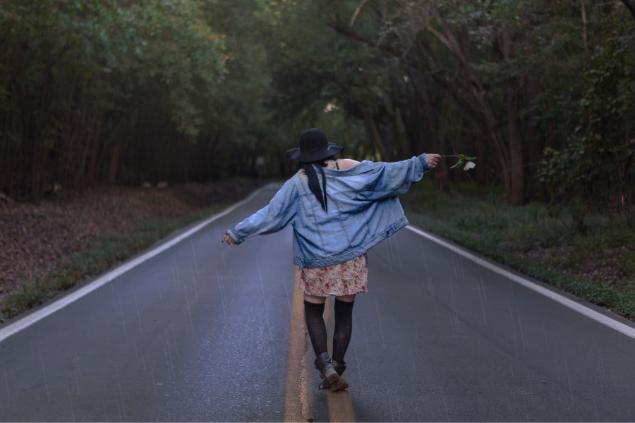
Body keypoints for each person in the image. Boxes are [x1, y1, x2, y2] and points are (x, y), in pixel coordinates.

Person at [222, 128, 440, 392]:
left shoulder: (297, 182)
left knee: (314, 310)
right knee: (344, 313)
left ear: (302, 156)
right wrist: (420, 163)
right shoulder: (346, 167)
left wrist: (238, 232)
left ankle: (324, 365)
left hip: (317, 259)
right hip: (351, 257)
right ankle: (337, 365)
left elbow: (272, 214)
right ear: (327, 150)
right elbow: (385, 172)